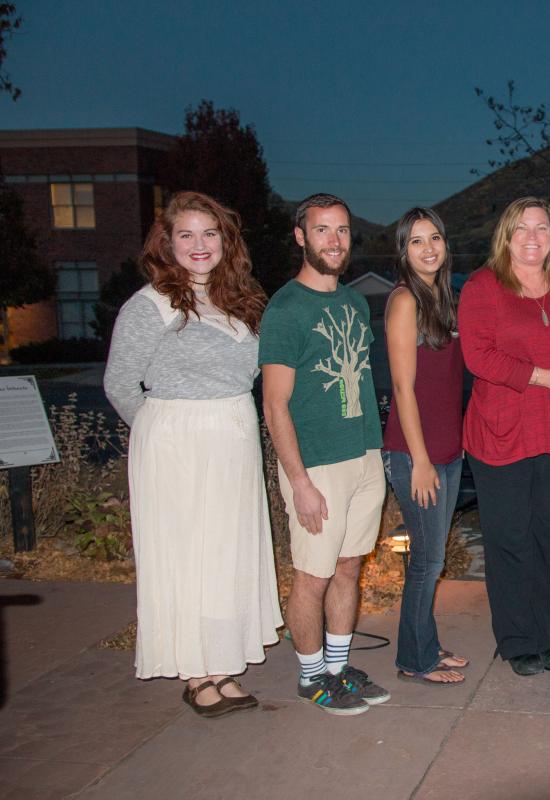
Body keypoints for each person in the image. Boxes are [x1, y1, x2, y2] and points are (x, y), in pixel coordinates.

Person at [104, 191, 281, 717]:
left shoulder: (244, 301)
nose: (199, 245)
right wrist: (162, 435)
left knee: (227, 553)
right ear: (168, 242)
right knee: (184, 555)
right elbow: (119, 383)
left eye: (210, 234)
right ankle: (195, 673)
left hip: (233, 434)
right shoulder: (151, 304)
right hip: (177, 441)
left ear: (227, 241)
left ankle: (222, 663)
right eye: (187, 235)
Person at [260, 193, 389, 715]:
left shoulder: (355, 303)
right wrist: (300, 482)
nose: (334, 241)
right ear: (301, 236)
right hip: (317, 465)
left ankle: (337, 669)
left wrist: (373, 457)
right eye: (322, 230)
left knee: (349, 567)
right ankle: (310, 676)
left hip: (362, 456)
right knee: (312, 576)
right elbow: (274, 406)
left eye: (341, 231)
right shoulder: (286, 309)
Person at [457, 197, 550, 676]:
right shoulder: (482, 287)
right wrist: (545, 376)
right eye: (522, 229)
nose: (532, 238)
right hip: (501, 433)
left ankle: (548, 638)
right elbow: (479, 357)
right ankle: (517, 641)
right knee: (509, 539)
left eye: (541, 229)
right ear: (506, 236)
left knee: (548, 538)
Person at [381, 208, 469, 685]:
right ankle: (415, 661)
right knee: (426, 561)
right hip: (416, 454)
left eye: (435, 237)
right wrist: (419, 461)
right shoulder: (404, 302)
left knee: (431, 558)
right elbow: (403, 386)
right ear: (403, 251)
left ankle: (427, 645)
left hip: (448, 451)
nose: (428, 248)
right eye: (416, 241)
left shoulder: (443, 299)